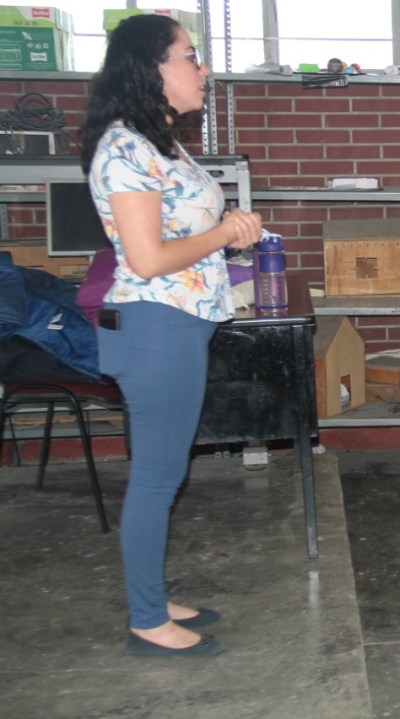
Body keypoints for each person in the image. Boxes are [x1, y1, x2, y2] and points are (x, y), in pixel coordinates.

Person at [81, 14, 263, 658]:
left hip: (179, 323)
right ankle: (146, 620)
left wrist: (225, 235)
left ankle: (153, 597)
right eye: (190, 56)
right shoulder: (124, 149)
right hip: (155, 325)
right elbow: (149, 258)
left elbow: (176, 237)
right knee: (158, 478)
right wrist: (226, 232)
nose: (203, 69)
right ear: (152, 68)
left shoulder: (158, 142)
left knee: (167, 472)